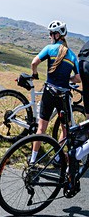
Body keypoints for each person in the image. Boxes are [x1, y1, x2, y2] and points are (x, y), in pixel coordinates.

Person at [30, 20, 81, 164]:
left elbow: (34, 63)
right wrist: (68, 79)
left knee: (41, 128)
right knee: (65, 130)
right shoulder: (72, 56)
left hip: (49, 92)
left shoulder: (49, 49)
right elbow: (78, 78)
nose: (50, 36)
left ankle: (33, 160)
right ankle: (58, 157)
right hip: (63, 96)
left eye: (51, 34)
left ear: (57, 35)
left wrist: (34, 74)